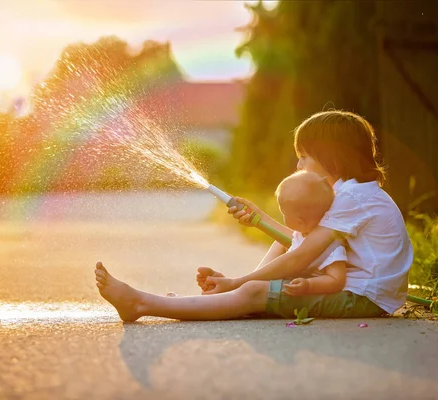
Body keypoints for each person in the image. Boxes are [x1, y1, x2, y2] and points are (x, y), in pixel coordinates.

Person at [95, 110, 412, 321]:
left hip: (361, 299)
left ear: (332, 157)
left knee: (254, 291)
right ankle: (220, 300)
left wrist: (240, 282)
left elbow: (302, 257)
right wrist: (260, 219)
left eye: (304, 157)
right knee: (261, 280)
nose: (299, 166)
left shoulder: (352, 197)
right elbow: (298, 242)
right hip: (354, 291)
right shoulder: (353, 193)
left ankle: (142, 304)